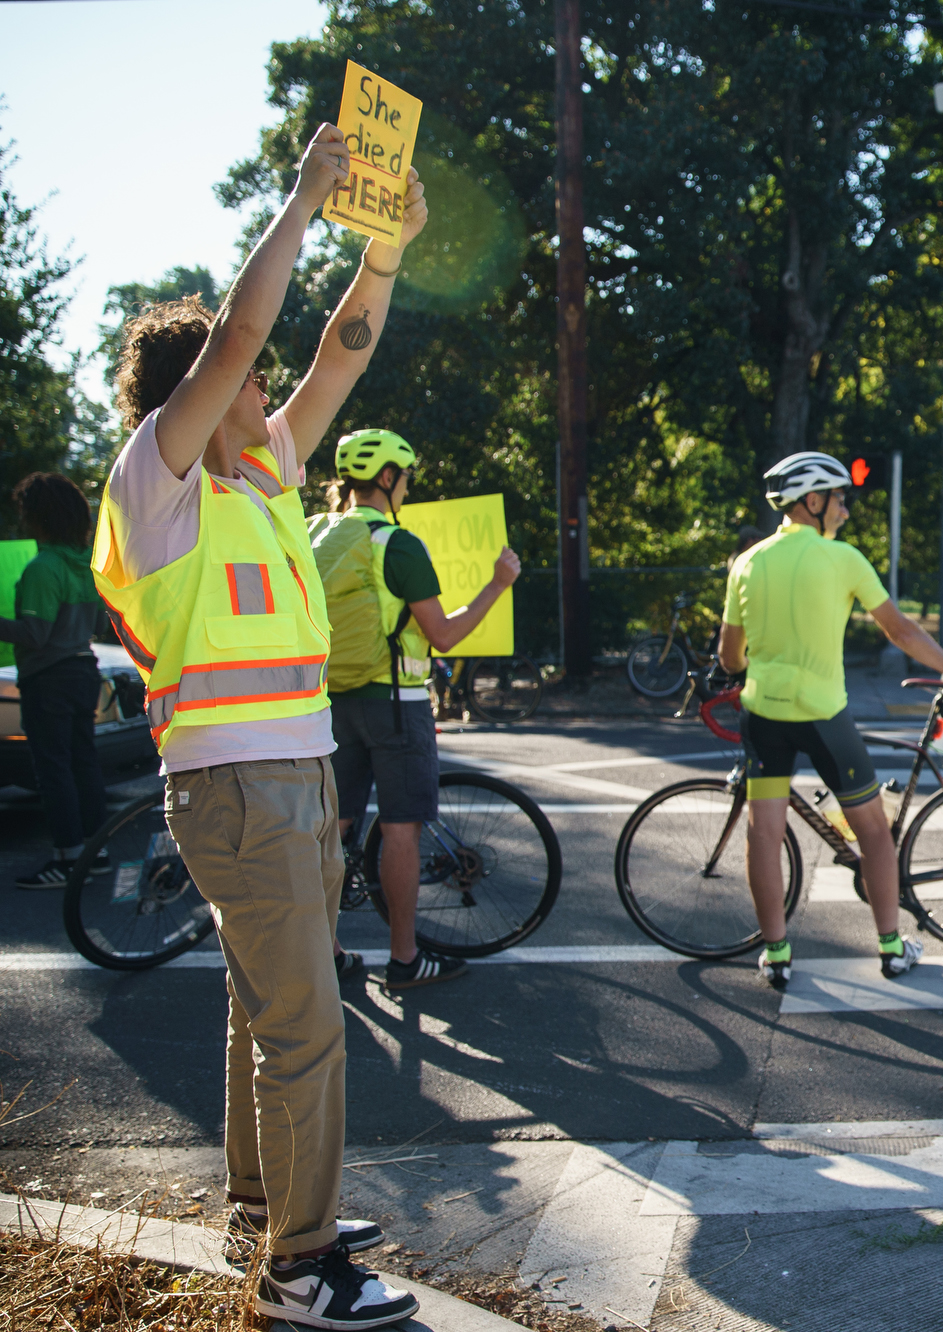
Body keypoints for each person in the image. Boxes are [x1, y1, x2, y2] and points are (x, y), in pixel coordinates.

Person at [91, 122, 427, 1329]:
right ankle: (302, 1266)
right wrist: (303, 199)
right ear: (199, 396)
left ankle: (263, 1206)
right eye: (240, 383)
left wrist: (380, 257)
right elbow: (243, 334)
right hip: (238, 786)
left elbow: (338, 360)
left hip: (291, 776)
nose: (267, 394)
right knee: (308, 1029)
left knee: (266, 1013)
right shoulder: (158, 475)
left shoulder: (259, 472)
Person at [719, 451, 943, 989]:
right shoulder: (843, 559)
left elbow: (729, 658)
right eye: (839, 499)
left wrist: (757, 666)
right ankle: (890, 947)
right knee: (874, 834)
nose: (845, 509)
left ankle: (776, 954)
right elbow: (901, 631)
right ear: (811, 502)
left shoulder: (747, 562)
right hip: (824, 718)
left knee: (763, 836)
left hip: (764, 715)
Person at [309, 430, 519, 991]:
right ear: (387, 479)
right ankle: (405, 960)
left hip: (330, 701)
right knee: (401, 829)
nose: (407, 487)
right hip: (395, 704)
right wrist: (498, 585)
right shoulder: (396, 544)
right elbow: (444, 635)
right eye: (405, 477)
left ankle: (325, 952)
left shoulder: (315, 534)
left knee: (334, 826)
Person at [1, 473, 110, 889]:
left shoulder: (42, 568)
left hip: (48, 679)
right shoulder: (87, 565)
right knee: (84, 764)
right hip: (85, 670)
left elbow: (34, 635)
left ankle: (65, 859)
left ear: (39, 517)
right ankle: (95, 852)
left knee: (53, 770)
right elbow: (100, 622)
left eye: (26, 511)